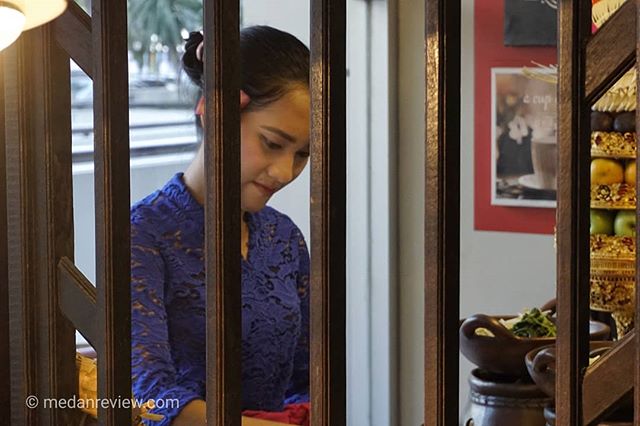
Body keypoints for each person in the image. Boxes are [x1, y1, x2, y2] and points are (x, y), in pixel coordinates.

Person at [130, 27, 311, 426]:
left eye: (302, 155)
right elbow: (149, 395)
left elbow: (309, 377)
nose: (284, 172)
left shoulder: (285, 239)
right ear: (215, 112)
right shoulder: (143, 233)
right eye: (272, 143)